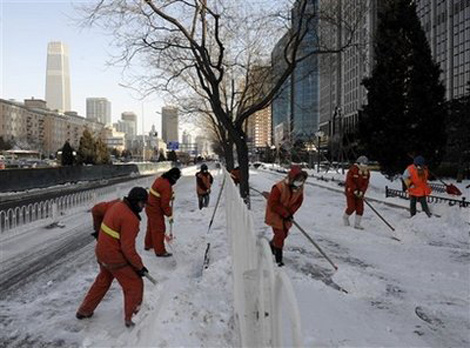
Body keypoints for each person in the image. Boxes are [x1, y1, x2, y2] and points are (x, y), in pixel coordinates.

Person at [76, 187, 150, 328]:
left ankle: (84, 311)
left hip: (101, 252)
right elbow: (128, 249)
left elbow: (96, 210)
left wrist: (98, 230)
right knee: (134, 284)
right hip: (114, 257)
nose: (144, 207)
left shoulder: (116, 204)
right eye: (142, 204)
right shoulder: (130, 219)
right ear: (135, 202)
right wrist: (139, 267)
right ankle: (133, 319)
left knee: (103, 280)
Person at [265, 165, 307, 266]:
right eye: (298, 179)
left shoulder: (299, 188)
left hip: (287, 215)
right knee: (280, 235)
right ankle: (278, 259)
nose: (300, 182)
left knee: (284, 234)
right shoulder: (279, 187)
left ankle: (271, 245)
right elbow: (273, 203)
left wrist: (290, 213)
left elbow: (298, 202)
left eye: (302, 180)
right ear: (292, 178)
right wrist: (284, 213)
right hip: (275, 214)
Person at [145, 167, 181, 257]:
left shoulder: (160, 179)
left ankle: (148, 244)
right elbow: (164, 204)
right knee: (159, 229)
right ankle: (160, 251)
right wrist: (169, 215)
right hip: (155, 209)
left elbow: (162, 193)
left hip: (149, 207)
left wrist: (170, 195)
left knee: (151, 226)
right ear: (173, 177)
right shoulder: (166, 186)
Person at [343, 156, 370, 230]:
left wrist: (362, 191)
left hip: (360, 194)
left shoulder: (366, 172)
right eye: (363, 164)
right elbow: (349, 180)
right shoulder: (353, 170)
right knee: (351, 207)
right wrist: (354, 189)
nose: (364, 166)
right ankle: (345, 217)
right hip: (351, 192)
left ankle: (357, 224)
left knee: (360, 208)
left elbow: (366, 183)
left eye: (366, 164)